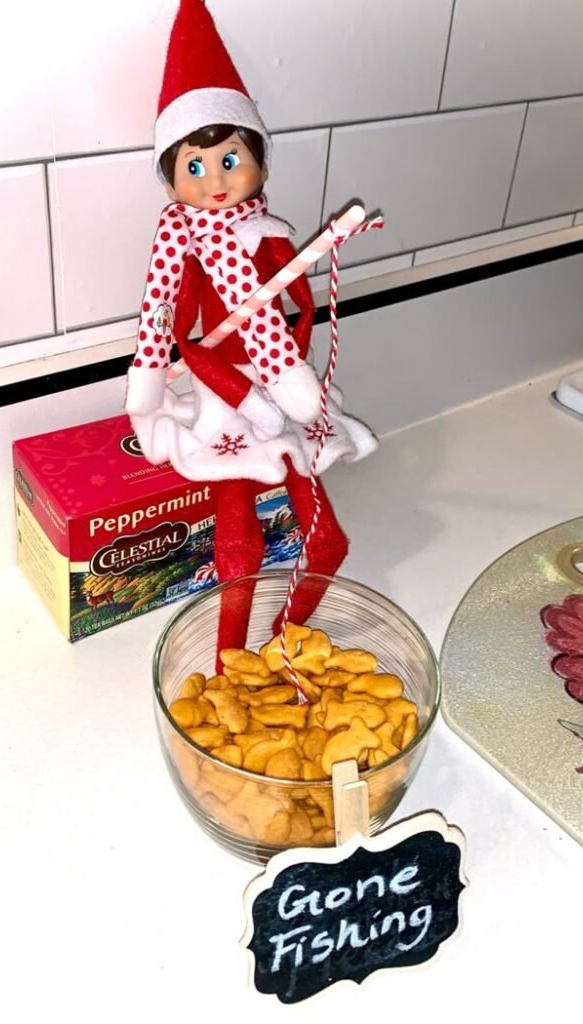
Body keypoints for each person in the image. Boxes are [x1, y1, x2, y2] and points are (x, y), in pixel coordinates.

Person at [126, 0, 377, 653]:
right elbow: (181, 336)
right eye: (194, 166)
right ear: (171, 179)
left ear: (260, 162)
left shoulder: (269, 237)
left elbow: (298, 310)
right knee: (237, 534)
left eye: (230, 159)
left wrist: (286, 373)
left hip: (278, 383)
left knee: (326, 536)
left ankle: (286, 637)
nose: (214, 180)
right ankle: (229, 655)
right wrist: (240, 394)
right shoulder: (182, 249)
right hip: (223, 398)